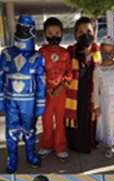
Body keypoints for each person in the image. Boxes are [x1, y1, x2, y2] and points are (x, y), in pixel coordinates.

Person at [2, 15, 45, 173]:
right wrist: (0, 99)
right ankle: (12, 159)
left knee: (29, 130)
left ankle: (30, 155)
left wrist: (41, 104)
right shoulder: (6, 54)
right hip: (11, 100)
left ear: (33, 31)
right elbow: (0, 78)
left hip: (29, 101)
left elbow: (41, 83)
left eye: (27, 29)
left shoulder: (37, 57)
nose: (23, 33)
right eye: (20, 28)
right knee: (11, 131)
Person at [65, 16, 100, 155]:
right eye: (81, 32)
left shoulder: (99, 53)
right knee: (77, 122)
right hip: (76, 96)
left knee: (90, 120)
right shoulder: (70, 52)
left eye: (89, 31)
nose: (85, 35)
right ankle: (76, 144)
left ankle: (92, 140)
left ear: (94, 33)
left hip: (92, 96)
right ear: (75, 35)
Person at [38, 17, 71, 162]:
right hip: (45, 93)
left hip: (61, 92)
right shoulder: (41, 52)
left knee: (60, 121)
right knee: (46, 120)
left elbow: (69, 73)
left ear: (62, 33)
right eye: (50, 34)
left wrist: (61, 86)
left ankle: (60, 147)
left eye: (57, 33)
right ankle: (46, 145)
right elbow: (38, 72)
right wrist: (45, 87)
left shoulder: (65, 53)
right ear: (44, 34)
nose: (54, 37)